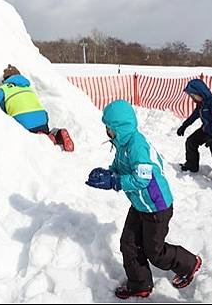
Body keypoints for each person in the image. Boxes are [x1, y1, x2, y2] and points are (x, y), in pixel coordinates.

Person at [85, 99, 202, 299]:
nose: (106, 130)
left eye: (108, 127)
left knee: (154, 253)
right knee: (128, 243)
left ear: (119, 127)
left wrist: (115, 182)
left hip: (156, 206)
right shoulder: (122, 143)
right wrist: (107, 173)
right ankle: (140, 284)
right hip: (140, 204)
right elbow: (120, 167)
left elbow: (142, 178)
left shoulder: (136, 145)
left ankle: (190, 263)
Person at [0, 64, 74, 152]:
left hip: (24, 121)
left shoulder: (4, 88)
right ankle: (57, 134)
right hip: (42, 118)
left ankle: (44, 138)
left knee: (31, 133)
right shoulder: (27, 87)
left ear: (6, 79)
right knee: (43, 129)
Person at [176, 79, 212, 184]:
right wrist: (184, 125)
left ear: (200, 92)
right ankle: (192, 165)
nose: (192, 98)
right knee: (191, 141)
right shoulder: (201, 104)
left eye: (193, 95)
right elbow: (194, 116)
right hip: (206, 129)